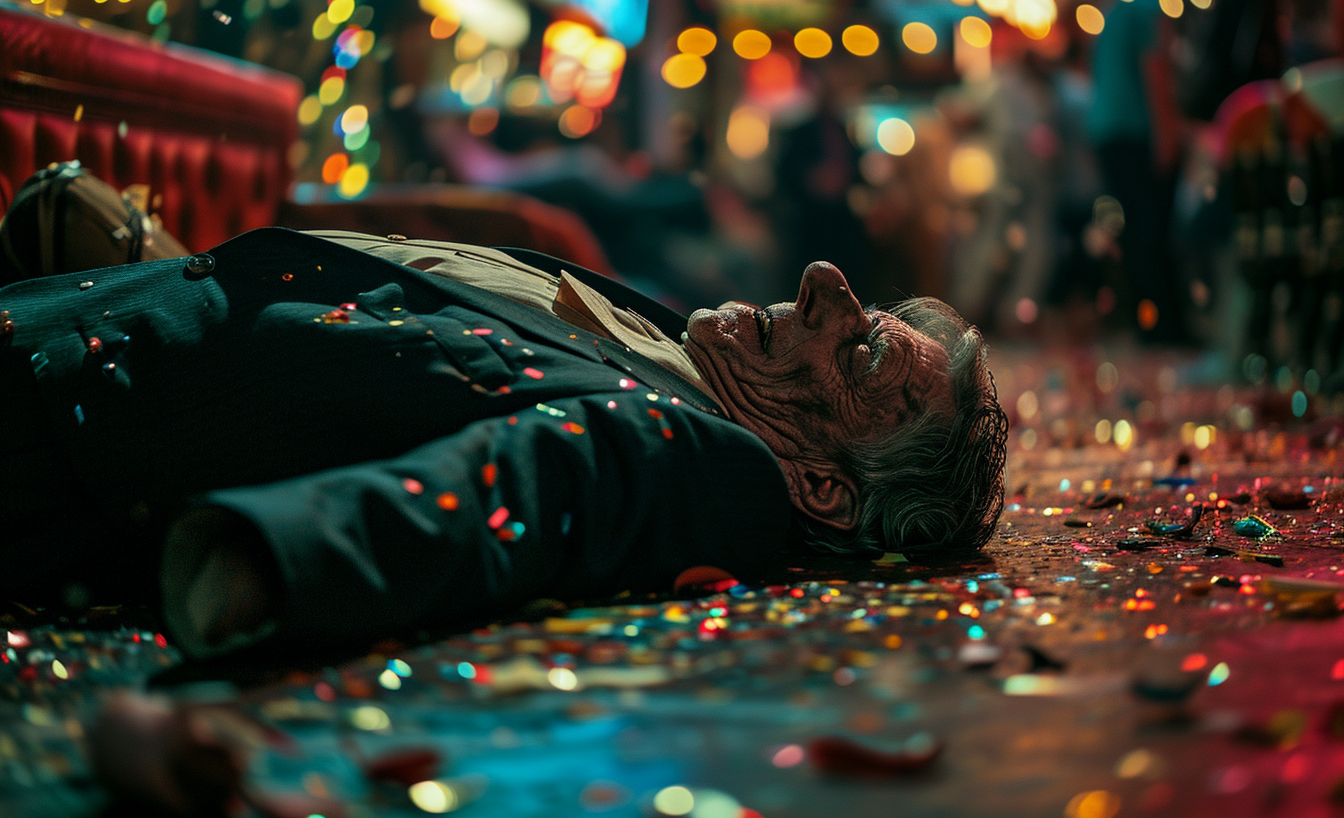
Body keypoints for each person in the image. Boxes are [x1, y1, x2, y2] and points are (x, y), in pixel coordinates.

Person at [0, 165, 1007, 658]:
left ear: (824, 484)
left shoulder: (712, 463)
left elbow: (509, 492)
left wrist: (258, 571)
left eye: (863, 347)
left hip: (50, 427)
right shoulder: (681, 341)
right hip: (85, 337)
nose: (826, 281)